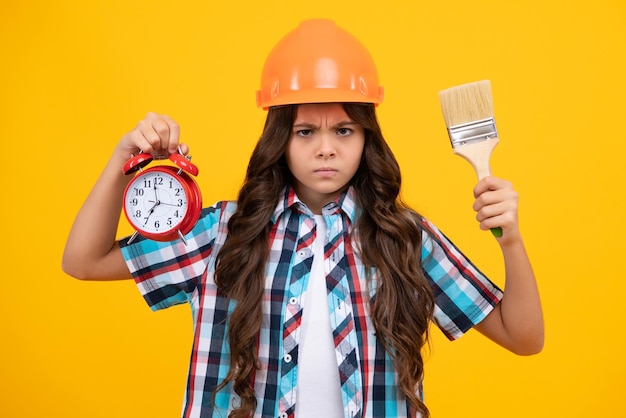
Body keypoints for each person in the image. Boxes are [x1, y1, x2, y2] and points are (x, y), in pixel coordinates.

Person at [62, 18, 543, 418]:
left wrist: (512, 240)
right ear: (280, 139)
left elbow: (523, 337)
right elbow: (83, 260)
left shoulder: (405, 239)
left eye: (344, 129)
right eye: (306, 131)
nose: (326, 147)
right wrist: (125, 160)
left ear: (366, 138)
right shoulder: (221, 234)